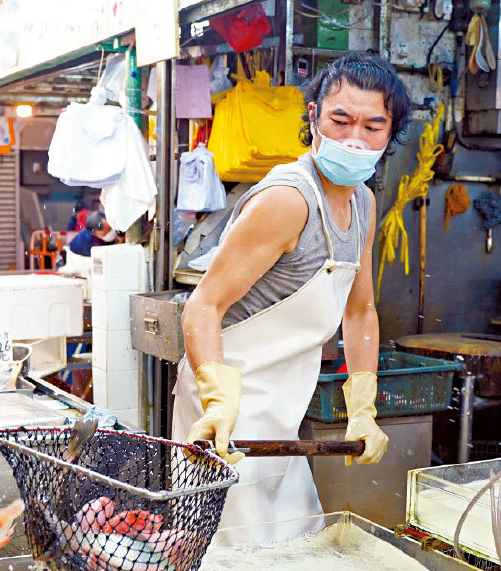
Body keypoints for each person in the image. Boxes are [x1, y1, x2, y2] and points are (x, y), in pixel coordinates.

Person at [174, 51, 410, 545]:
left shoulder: (364, 202)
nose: (354, 138)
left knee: (298, 544)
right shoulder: (287, 200)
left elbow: (360, 310)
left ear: (391, 132)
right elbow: (203, 305)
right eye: (340, 120)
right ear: (314, 117)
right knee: (232, 557)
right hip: (228, 412)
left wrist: (362, 407)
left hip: (283, 410)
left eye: (373, 126)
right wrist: (216, 403)